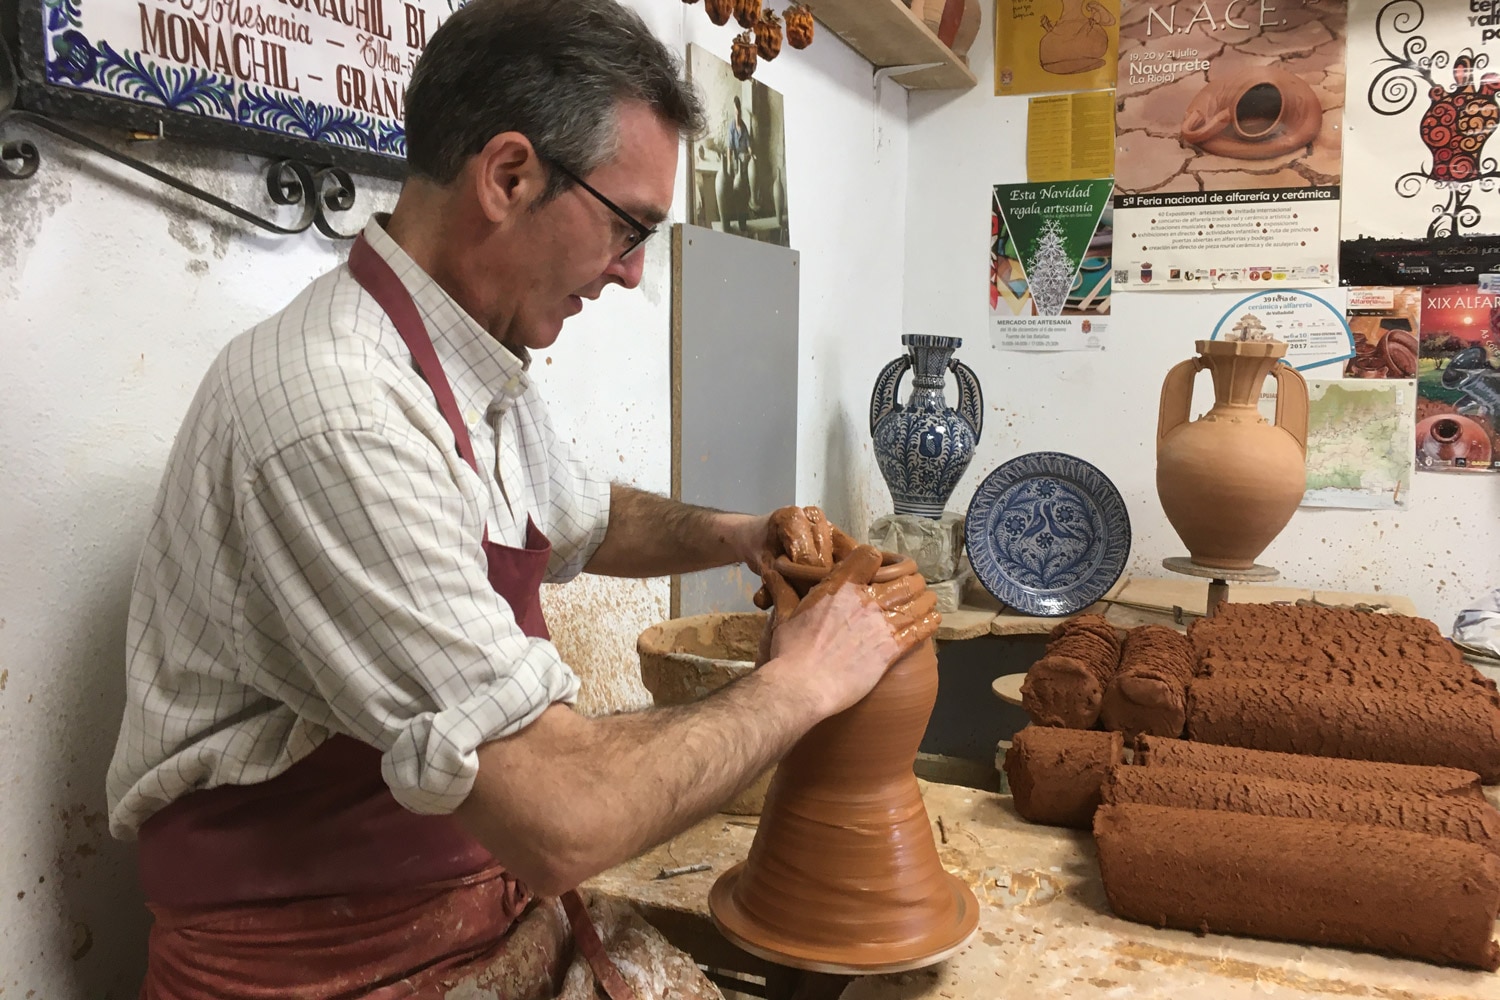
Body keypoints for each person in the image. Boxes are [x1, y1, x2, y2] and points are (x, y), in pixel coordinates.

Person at [103, 1, 939, 997]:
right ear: (509, 176)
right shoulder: (337, 411)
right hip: (323, 958)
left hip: (476, 904)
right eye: (628, 228)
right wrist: (806, 681)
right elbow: (561, 818)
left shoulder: (474, 361)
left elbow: (582, 516)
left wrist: (744, 534)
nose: (631, 275)